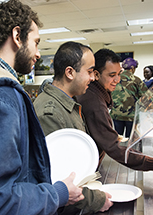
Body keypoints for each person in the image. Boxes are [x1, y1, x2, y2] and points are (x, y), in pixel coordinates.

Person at [0, 0, 84, 214]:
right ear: (17, 36)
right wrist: (58, 193)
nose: (38, 53)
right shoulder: (1, 100)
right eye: (36, 42)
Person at [34, 41, 113, 214]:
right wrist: (98, 200)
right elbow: (60, 181)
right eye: (90, 71)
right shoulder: (51, 113)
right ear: (70, 72)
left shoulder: (67, 103)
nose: (93, 78)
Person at [77, 48, 153, 172]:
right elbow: (113, 147)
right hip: (87, 165)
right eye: (112, 75)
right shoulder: (94, 102)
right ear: (96, 74)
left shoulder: (97, 93)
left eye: (119, 74)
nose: (117, 80)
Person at [110, 57, 148, 138]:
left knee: (118, 137)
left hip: (117, 114)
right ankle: (128, 150)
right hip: (131, 116)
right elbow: (145, 97)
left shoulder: (115, 79)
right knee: (130, 139)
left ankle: (117, 150)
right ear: (133, 68)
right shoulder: (136, 80)